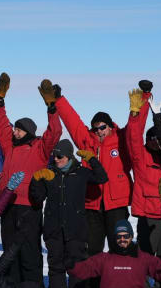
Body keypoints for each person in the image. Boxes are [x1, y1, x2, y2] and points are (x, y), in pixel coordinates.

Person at [0, 77, 62, 285]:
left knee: (30, 251)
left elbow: (55, 131)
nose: (15, 132)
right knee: (9, 251)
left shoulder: (40, 147)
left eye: (19, 129)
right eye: (15, 129)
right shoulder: (9, 145)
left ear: (29, 132)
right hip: (6, 205)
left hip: (29, 207)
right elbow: (0, 123)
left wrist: (51, 107)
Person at [54, 81, 134, 254]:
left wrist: (139, 105)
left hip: (116, 205)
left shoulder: (122, 140)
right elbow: (73, 122)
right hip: (92, 204)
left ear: (110, 127)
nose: (99, 131)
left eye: (103, 127)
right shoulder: (87, 142)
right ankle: (93, 282)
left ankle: (119, 280)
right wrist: (59, 100)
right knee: (92, 249)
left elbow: (135, 128)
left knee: (119, 248)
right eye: (96, 128)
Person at [28, 139, 107, 288]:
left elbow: (102, 177)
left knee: (76, 266)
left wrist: (92, 159)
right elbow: (37, 198)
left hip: (76, 228)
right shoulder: (50, 174)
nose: (56, 159)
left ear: (69, 156)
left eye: (60, 156)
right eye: (54, 156)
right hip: (53, 228)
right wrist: (36, 180)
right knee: (56, 266)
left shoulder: (80, 172)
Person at [125, 86, 161, 288]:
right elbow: (133, 135)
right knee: (146, 259)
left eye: (158, 139)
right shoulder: (140, 156)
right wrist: (142, 104)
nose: (155, 142)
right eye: (152, 139)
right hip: (148, 216)